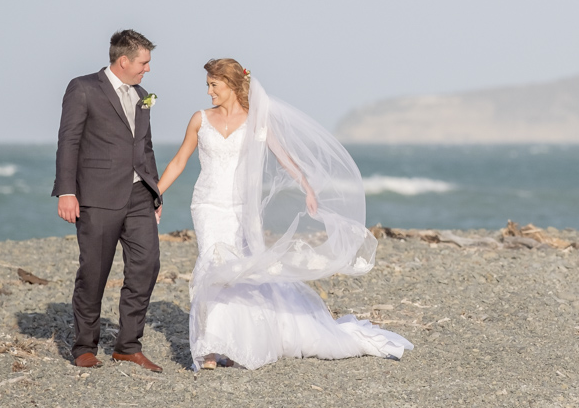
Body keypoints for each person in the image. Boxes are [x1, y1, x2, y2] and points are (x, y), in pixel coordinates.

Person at [157, 58, 412, 370]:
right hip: (207, 204)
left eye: (214, 85)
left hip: (240, 208)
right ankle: (210, 348)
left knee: (236, 272)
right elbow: (179, 161)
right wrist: (155, 193)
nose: (209, 91)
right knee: (210, 265)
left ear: (233, 85)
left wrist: (307, 186)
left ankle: (230, 340)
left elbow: (283, 155)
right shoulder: (200, 119)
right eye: (208, 85)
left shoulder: (256, 122)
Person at [52, 29, 165, 372]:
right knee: (94, 271)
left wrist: (155, 191)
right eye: (144, 63)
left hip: (138, 196)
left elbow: (144, 147)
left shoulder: (142, 95)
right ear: (124, 60)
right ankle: (85, 346)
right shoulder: (83, 88)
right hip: (97, 196)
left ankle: (128, 346)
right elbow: (68, 141)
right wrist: (67, 191)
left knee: (147, 265)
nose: (147, 69)